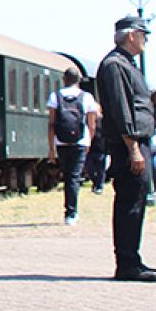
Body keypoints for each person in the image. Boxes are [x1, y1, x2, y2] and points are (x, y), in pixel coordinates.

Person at [96, 16, 156, 282]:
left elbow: (134, 102)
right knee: (130, 201)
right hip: (128, 144)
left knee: (137, 200)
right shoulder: (114, 65)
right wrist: (133, 148)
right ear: (131, 35)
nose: (146, 39)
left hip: (136, 141)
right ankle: (127, 262)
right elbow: (120, 108)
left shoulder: (127, 65)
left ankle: (133, 258)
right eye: (144, 34)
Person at [47, 67, 98, 225]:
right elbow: (92, 123)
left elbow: (51, 124)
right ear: (79, 80)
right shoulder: (87, 97)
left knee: (68, 175)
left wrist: (51, 148)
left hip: (61, 142)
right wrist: (89, 140)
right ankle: (71, 213)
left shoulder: (55, 96)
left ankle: (69, 210)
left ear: (64, 79)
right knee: (74, 177)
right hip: (80, 142)